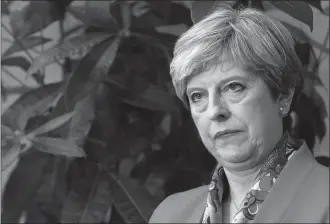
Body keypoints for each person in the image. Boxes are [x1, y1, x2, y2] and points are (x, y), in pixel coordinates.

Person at [149, 6, 329, 224]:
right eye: (197, 96)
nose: (215, 111)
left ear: (283, 95)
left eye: (234, 87)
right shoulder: (169, 214)